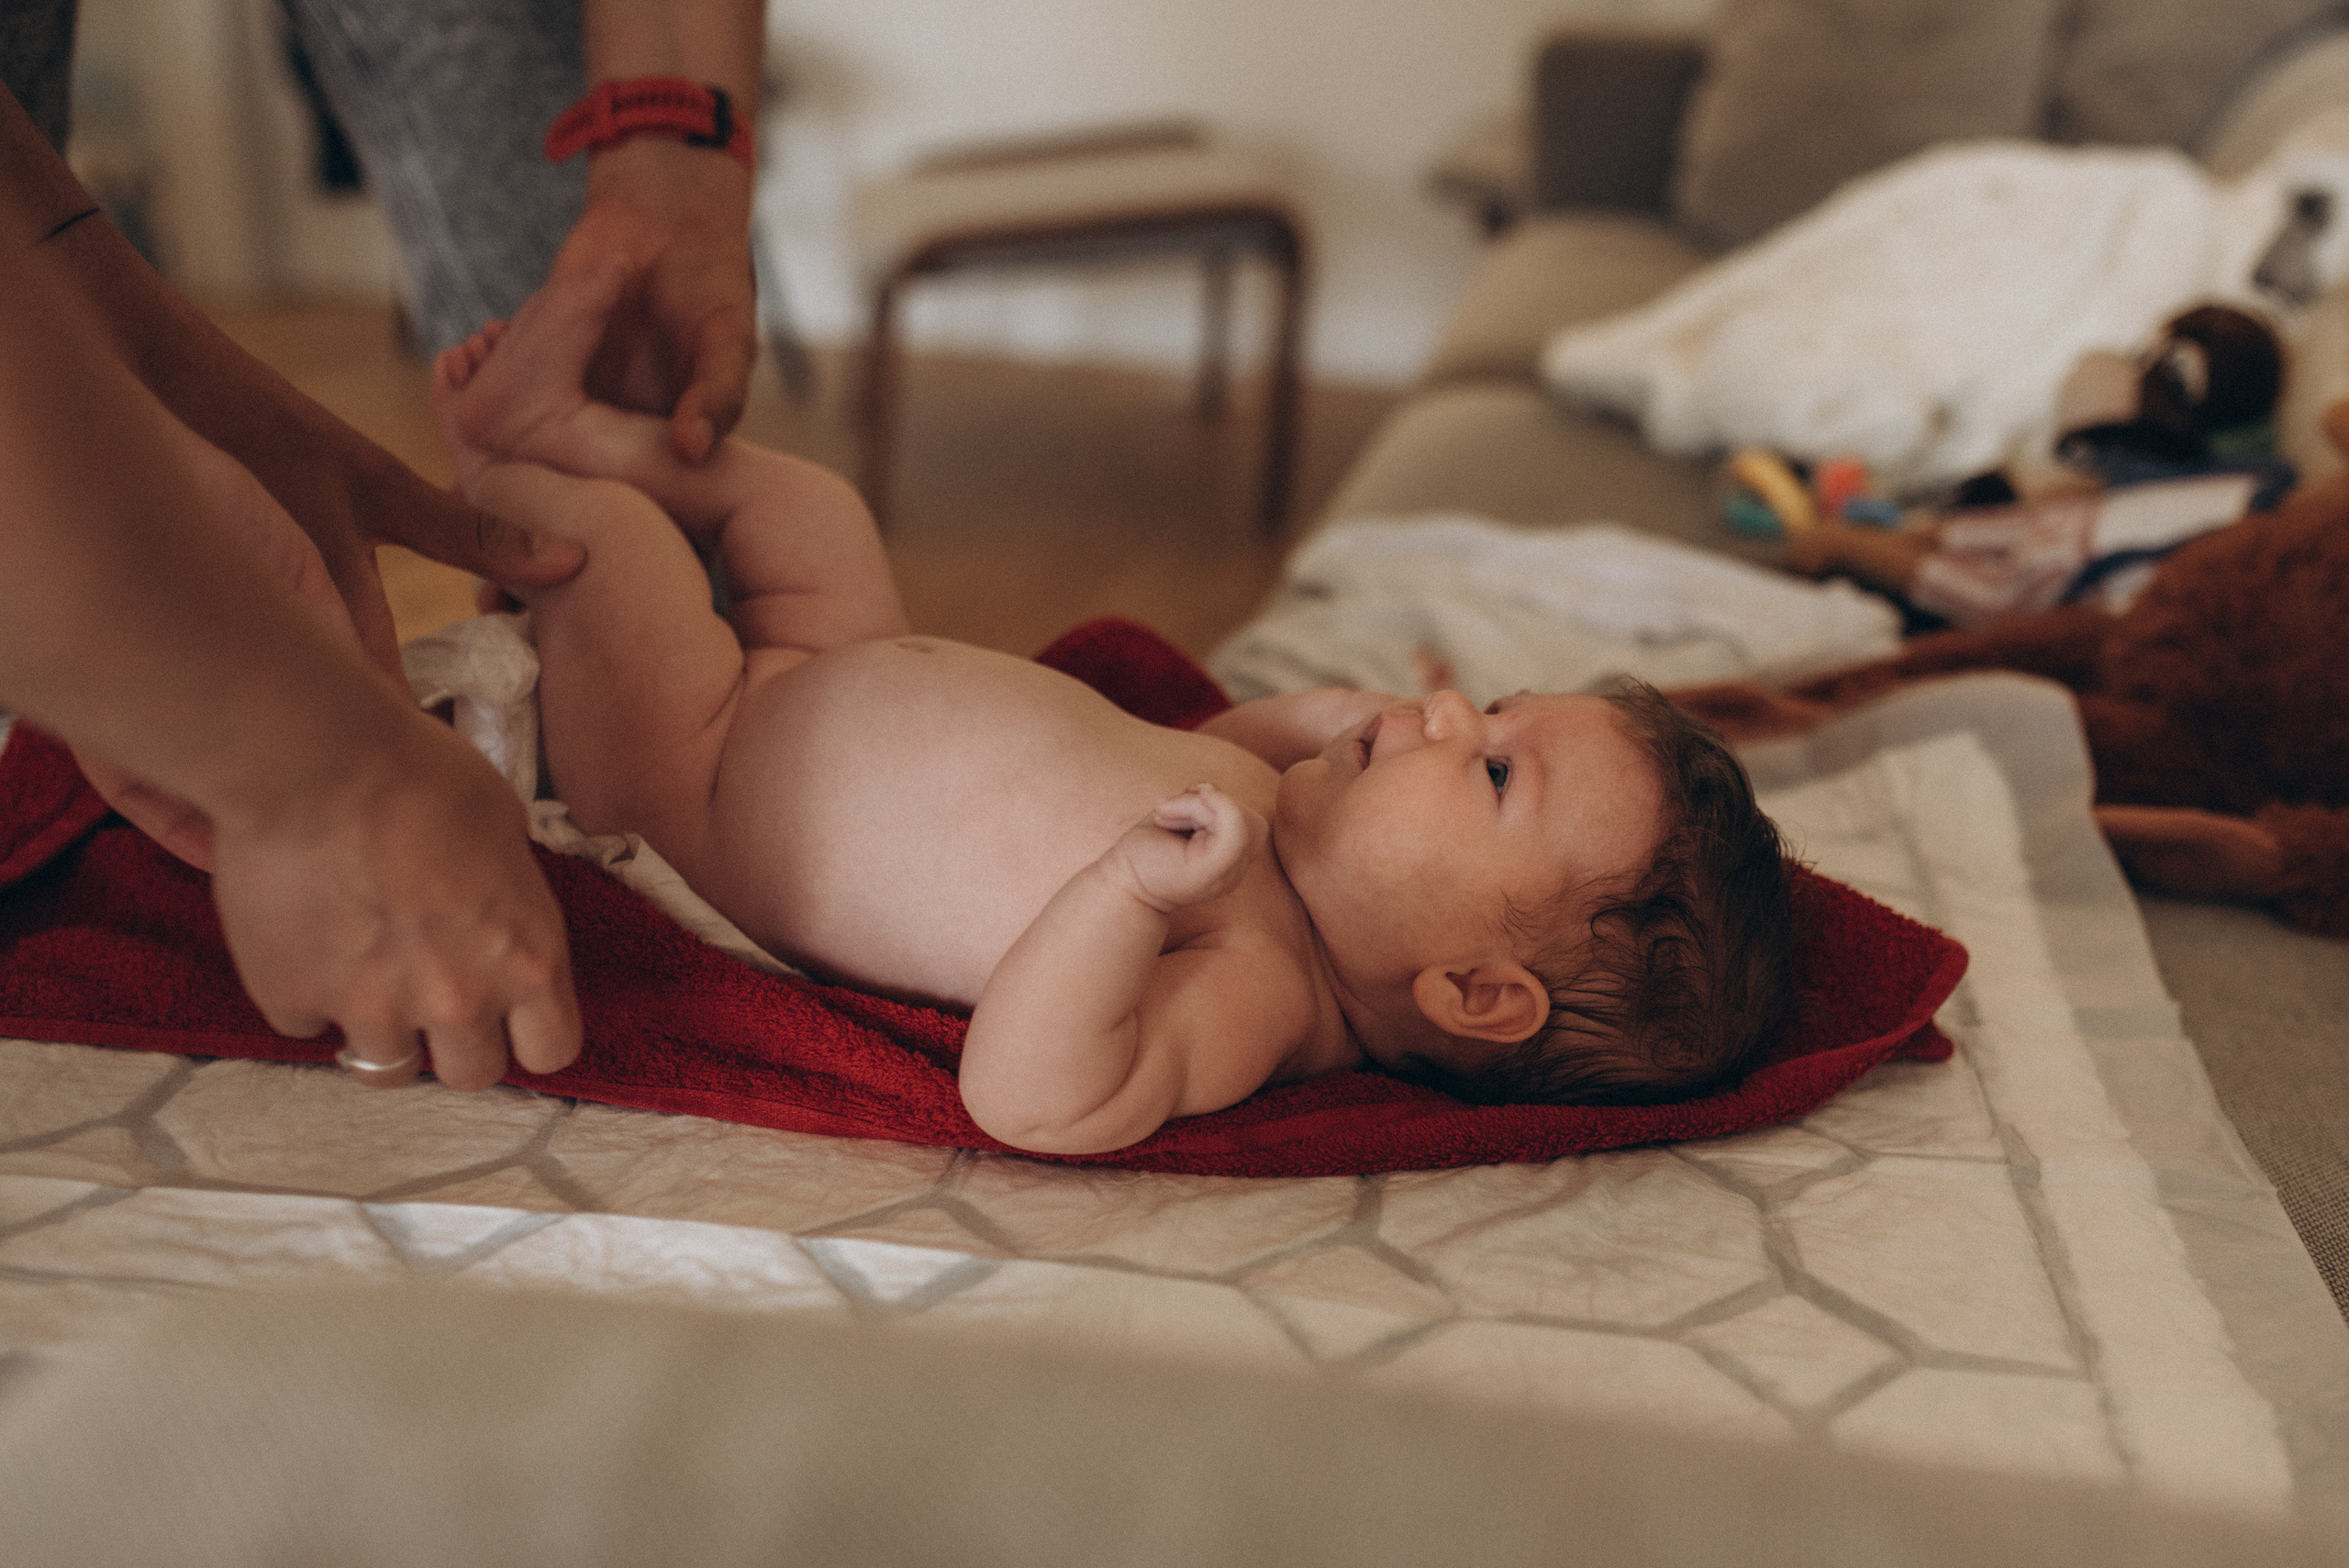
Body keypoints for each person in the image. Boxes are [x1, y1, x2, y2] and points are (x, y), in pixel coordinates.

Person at [431, 266, 1796, 1154]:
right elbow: (1212, 747)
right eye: (1491, 707)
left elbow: (1037, 1098)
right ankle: (589, 434)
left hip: (710, 780)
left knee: (612, 551)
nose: (1446, 720)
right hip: (841, 657)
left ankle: (509, 468)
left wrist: (1126, 896)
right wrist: (1295, 722)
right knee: (810, 507)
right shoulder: (1288, 830)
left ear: (1474, 990)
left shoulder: (1259, 990)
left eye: (1493, 772)